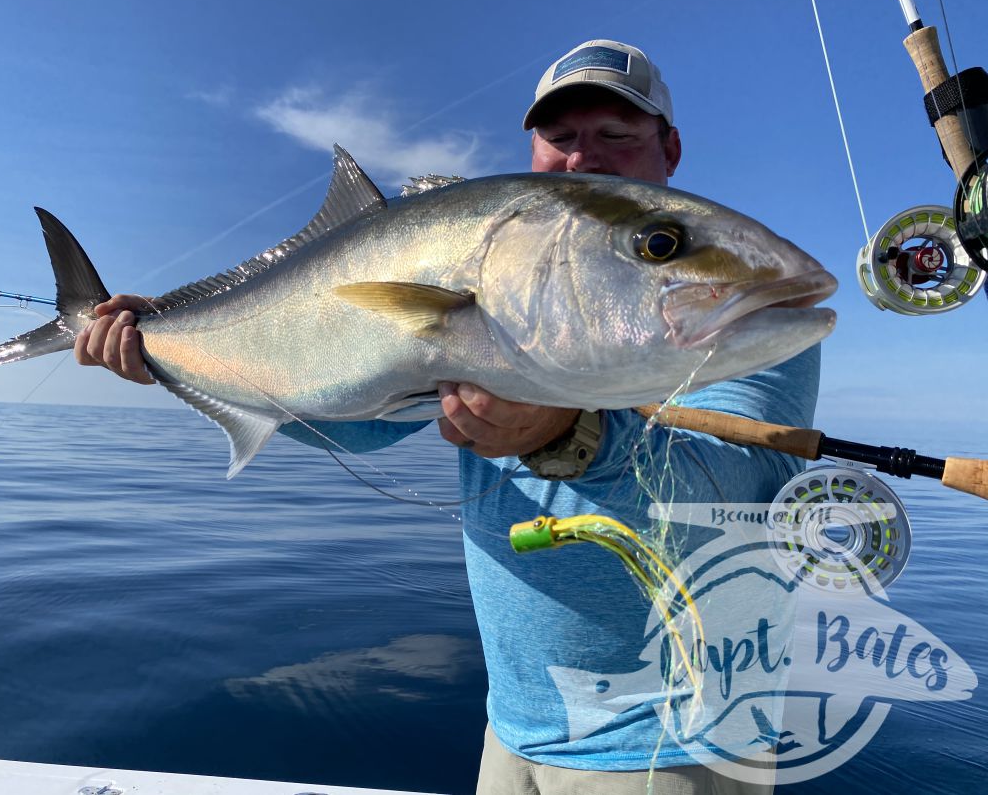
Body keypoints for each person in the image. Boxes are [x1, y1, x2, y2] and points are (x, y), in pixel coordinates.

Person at [76, 39, 818, 795]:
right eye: (559, 139)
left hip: (669, 750)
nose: (581, 158)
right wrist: (168, 354)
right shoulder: (497, 275)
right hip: (514, 729)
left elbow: (737, 495)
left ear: (671, 148)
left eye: (616, 137)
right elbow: (359, 423)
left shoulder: (743, 323)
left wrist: (566, 434)